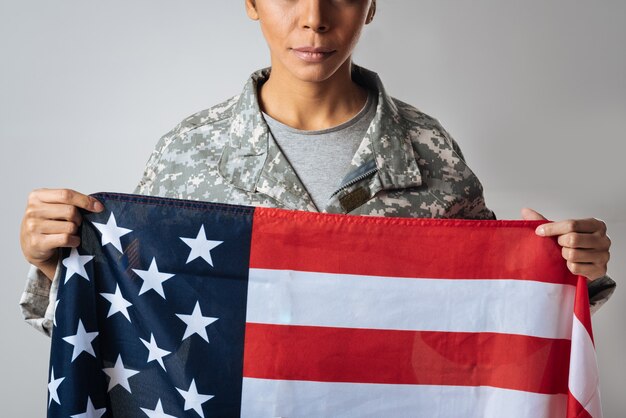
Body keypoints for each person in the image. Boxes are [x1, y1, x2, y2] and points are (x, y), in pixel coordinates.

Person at [19, 0, 615, 336]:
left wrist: (568, 271)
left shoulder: (430, 150)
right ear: (250, 2)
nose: (314, 16)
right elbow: (133, 330)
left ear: (373, 4)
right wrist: (57, 268)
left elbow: (482, 323)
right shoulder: (188, 153)